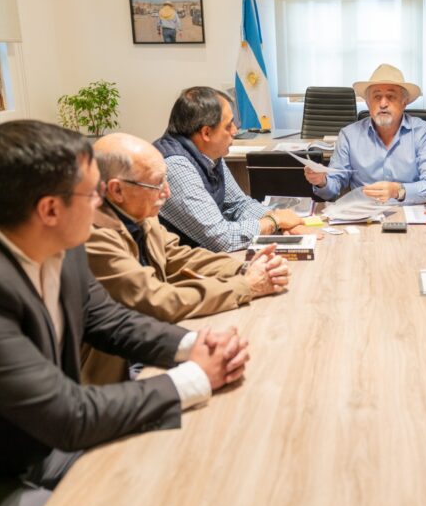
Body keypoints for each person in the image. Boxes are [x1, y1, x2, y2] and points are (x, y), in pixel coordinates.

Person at [0, 121, 249, 506]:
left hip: (53, 437)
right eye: (93, 192)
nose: (102, 203)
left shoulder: (57, 236)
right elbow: (66, 415)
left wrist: (193, 346)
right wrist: (196, 376)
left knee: (201, 459)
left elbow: (108, 320)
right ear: (50, 209)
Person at [83, 133, 290, 384]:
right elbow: (156, 300)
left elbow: (177, 255)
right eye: (157, 184)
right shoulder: (92, 236)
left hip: (153, 343)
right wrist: (245, 286)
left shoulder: (140, 212)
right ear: (117, 190)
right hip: (117, 375)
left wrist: (244, 268)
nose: (167, 193)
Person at [153, 86, 310, 252]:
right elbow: (220, 238)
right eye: (228, 126)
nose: (235, 131)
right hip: (174, 268)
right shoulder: (176, 167)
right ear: (206, 133)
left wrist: (281, 221)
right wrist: (274, 221)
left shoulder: (208, 153)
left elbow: (238, 205)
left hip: (200, 257)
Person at [303, 64, 426, 204]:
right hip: (363, 216)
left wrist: (398, 190)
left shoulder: (424, 132)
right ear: (368, 103)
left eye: (391, 96)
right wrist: (322, 181)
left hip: (411, 214)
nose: (383, 104)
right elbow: (333, 189)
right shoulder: (349, 135)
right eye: (376, 97)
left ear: (404, 102)